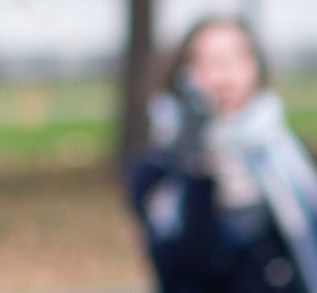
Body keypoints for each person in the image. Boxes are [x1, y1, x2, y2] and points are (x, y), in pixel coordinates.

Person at [130, 17, 317, 293]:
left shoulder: (290, 154)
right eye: (210, 61)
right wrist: (196, 165)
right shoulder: (158, 167)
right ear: (183, 75)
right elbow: (179, 266)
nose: (225, 74)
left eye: (236, 58)